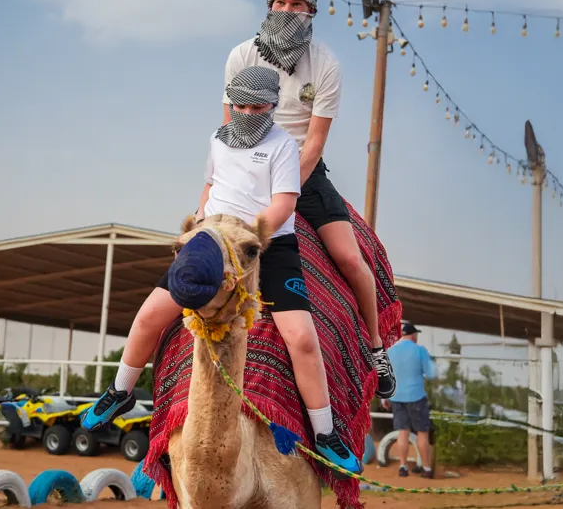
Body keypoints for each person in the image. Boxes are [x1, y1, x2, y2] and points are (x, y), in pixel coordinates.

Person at [81, 65, 363, 474]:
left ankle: (325, 431)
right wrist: (200, 222)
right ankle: (120, 389)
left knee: (301, 338)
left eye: (258, 106)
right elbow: (210, 186)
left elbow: (285, 201)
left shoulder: (284, 145)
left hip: (263, 242)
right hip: (212, 239)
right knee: (148, 317)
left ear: (271, 106)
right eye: (240, 105)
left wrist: (251, 236)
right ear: (230, 104)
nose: (248, 113)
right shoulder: (218, 138)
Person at [222, 0, 397, 400]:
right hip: (248, 164)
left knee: (351, 258)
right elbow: (229, 125)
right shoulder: (242, 55)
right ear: (269, 6)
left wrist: (284, 189)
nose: (286, 10)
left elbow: (315, 140)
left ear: (311, 11)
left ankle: (375, 347)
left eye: (295, 4)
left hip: (302, 168)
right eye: (279, 3)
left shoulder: (326, 64)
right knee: (203, 251)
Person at [381, 322, 437, 479]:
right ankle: (426, 468)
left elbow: (386, 377)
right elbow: (432, 373)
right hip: (416, 396)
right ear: (413, 335)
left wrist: (385, 397)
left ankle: (403, 467)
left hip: (397, 397)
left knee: (402, 432)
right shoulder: (419, 350)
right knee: (422, 433)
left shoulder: (390, 351)